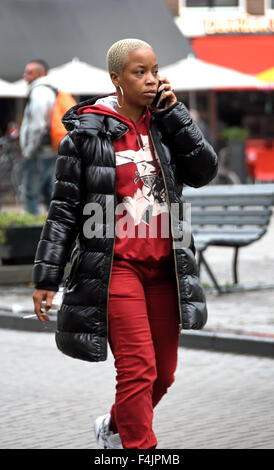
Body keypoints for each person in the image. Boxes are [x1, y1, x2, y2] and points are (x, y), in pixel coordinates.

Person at [32, 38, 218, 449]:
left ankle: (114, 428)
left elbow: (204, 171)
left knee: (163, 374)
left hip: (166, 266)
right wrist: (46, 277)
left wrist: (176, 115)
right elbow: (63, 211)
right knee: (138, 370)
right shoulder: (84, 137)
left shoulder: (166, 124)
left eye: (154, 70)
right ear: (116, 78)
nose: (151, 80)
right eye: (140, 73)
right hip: (117, 266)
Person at [19, 59, 57, 214]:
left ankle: (31, 233)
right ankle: (53, 233)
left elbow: (37, 126)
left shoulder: (40, 92)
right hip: (51, 149)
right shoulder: (50, 90)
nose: (25, 76)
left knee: (29, 194)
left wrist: (29, 151)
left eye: (29, 72)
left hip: (39, 152)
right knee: (48, 193)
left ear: (41, 74)